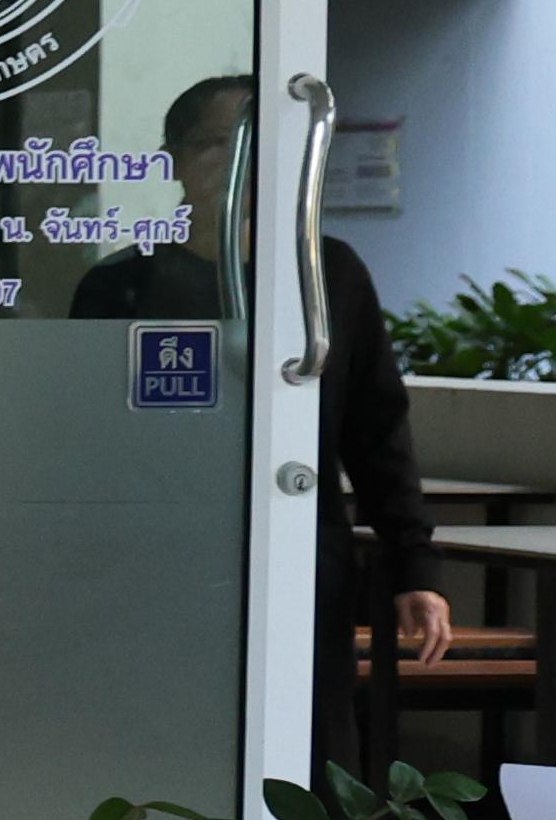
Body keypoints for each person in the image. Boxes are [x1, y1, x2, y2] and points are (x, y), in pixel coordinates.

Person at [69, 71, 450, 765]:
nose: (239, 160)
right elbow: (82, 445)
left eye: (257, 142)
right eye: (216, 143)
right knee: (157, 751)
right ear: (174, 161)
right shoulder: (120, 285)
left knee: (308, 750)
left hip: (297, 555)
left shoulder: (328, 275)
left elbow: (378, 432)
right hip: (154, 569)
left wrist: (415, 568)